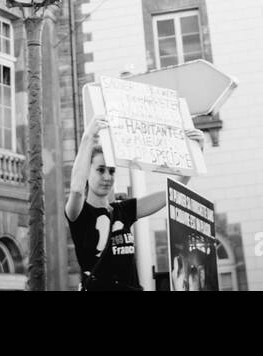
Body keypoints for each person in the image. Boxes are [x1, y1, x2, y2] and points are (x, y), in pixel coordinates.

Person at [65, 115, 206, 291]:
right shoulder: (79, 214)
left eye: (112, 171)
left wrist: (196, 154)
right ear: (87, 172)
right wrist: (88, 137)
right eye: (100, 170)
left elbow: (171, 192)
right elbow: (77, 189)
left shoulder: (123, 211)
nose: (107, 177)